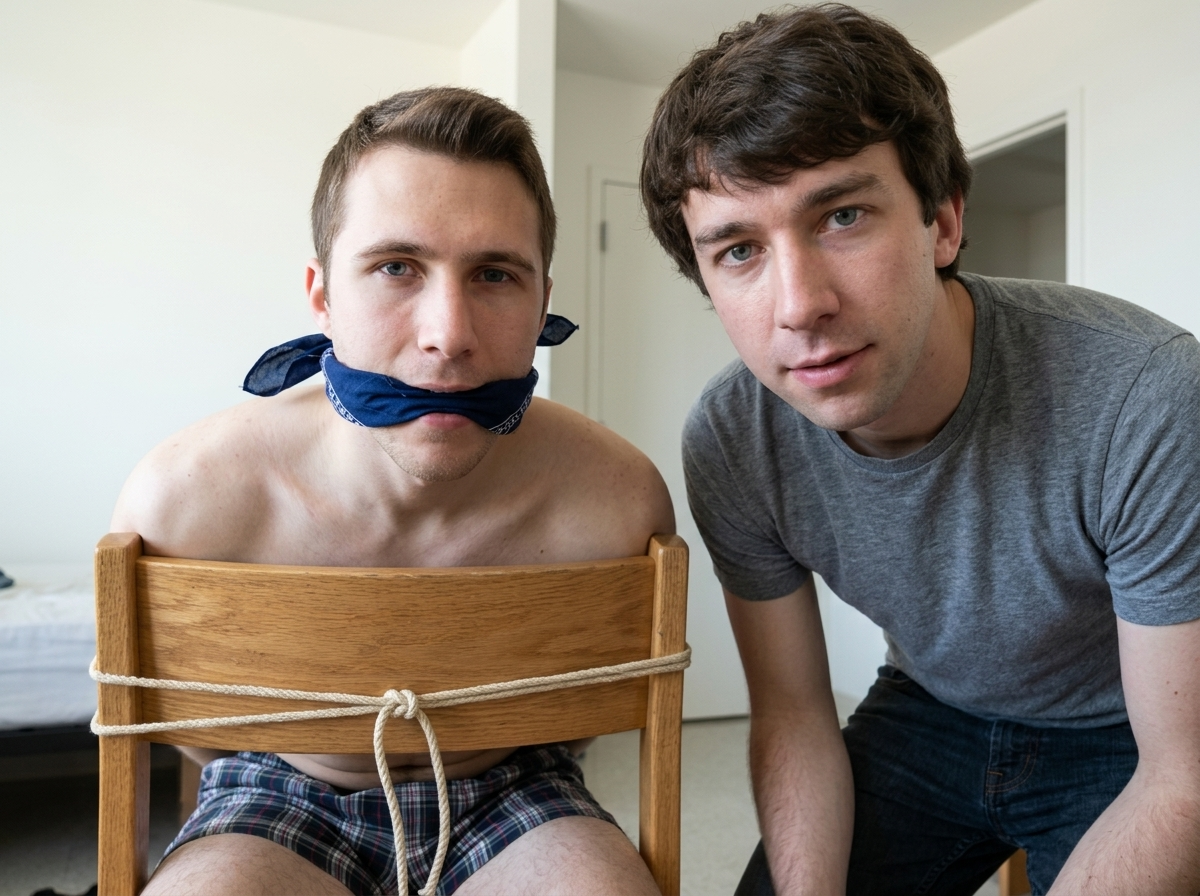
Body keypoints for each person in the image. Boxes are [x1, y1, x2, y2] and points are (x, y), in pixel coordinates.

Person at [640, 5, 1200, 895]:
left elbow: (1183, 774)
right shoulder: (734, 438)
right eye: (740, 250)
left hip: (1130, 729)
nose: (800, 305)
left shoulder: (1146, 394)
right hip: (930, 709)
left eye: (843, 215)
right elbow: (794, 713)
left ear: (941, 221)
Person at [111, 86, 673, 896]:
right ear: (322, 296)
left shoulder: (618, 504)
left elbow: (583, 714)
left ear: (542, 302)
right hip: (278, 785)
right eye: (396, 268)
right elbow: (193, 729)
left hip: (515, 787)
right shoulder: (184, 502)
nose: (448, 336)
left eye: (494, 274)